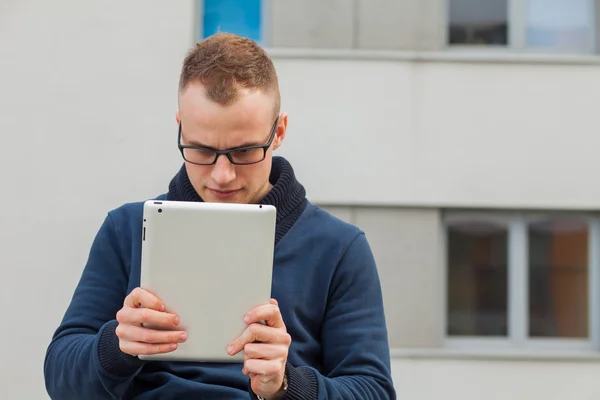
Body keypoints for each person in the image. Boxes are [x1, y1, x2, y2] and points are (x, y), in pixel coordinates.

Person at [43, 32, 396, 400]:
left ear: (279, 132)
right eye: (200, 150)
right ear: (180, 127)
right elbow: (59, 377)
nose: (222, 175)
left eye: (244, 151)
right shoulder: (126, 230)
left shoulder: (338, 248)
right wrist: (115, 348)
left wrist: (287, 386)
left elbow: (373, 391)